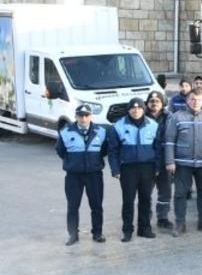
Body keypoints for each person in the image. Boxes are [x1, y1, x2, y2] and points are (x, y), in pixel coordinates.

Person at [164, 90, 202, 236]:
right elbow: (169, 141)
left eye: (199, 99)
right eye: (192, 99)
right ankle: (180, 224)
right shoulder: (177, 117)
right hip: (182, 163)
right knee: (180, 194)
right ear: (187, 100)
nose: (196, 102)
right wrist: (170, 161)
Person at [57, 105, 109, 245]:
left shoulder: (101, 131)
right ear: (76, 117)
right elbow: (60, 151)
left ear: (91, 116)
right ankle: (73, 235)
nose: (83, 118)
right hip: (73, 175)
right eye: (80, 115)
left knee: (96, 205)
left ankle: (97, 233)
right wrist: (73, 163)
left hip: (94, 174)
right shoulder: (66, 132)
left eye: (86, 115)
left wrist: (93, 162)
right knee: (73, 206)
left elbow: (104, 150)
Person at [108, 98, 160, 241]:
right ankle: (127, 231)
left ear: (144, 109)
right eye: (133, 108)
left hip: (147, 167)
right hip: (127, 168)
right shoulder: (118, 126)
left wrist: (157, 167)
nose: (136, 110)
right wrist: (115, 169)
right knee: (128, 200)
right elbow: (113, 150)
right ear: (128, 110)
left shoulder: (153, 125)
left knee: (145, 199)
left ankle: (144, 229)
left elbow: (158, 148)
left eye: (139, 108)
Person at [144, 92, 173, 230]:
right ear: (147, 103)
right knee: (145, 192)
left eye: (157, 101)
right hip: (147, 161)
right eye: (151, 101)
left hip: (164, 160)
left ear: (163, 103)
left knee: (165, 191)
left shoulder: (170, 117)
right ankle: (145, 218)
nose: (154, 103)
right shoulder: (141, 117)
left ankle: (163, 218)